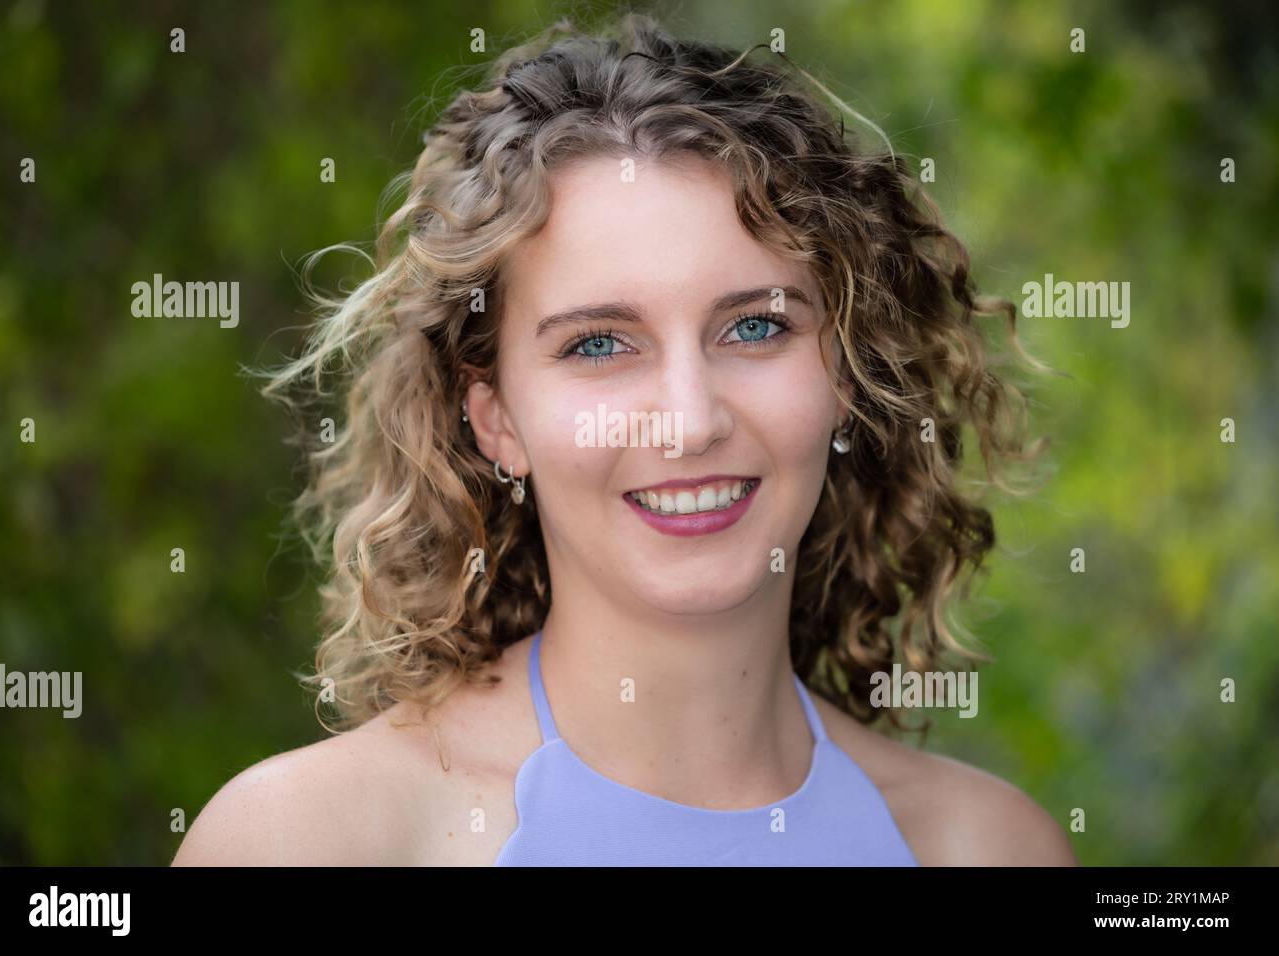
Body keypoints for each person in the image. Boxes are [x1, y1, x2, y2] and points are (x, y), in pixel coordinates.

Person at [173, 11, 1076, 866]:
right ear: (494, 418)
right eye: (599, 344)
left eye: (755, 327)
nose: (690, 422)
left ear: (843, 372)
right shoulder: (308, 840)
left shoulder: (986, 847)